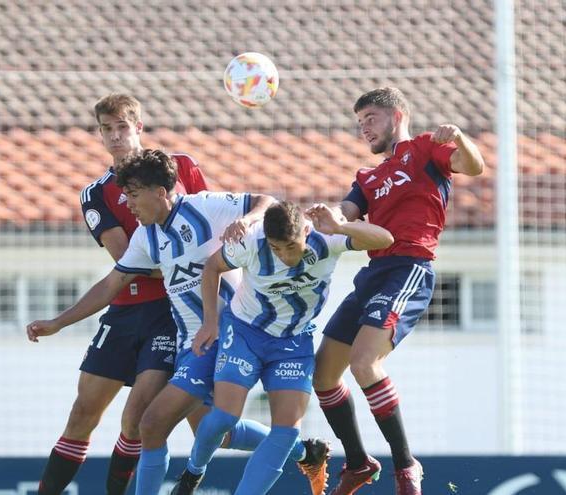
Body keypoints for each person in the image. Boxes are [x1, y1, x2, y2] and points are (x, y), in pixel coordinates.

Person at [26, 150, 326, 495]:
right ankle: (306, 451)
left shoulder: (205, 207)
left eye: (134, 195)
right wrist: (59, 322)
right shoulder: (145, 237)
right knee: (212, 432)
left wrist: (248, 219)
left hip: (229, 334)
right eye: (125, 195)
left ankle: (296, 450)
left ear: (160, 192)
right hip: (190, 343)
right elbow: (112, 284)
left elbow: (265, 201)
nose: (128, 203)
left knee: (151, 423)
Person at [312, 87, 485, 495]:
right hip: (373, 274)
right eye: (359, 124)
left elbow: (473, 167)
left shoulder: (426, 148)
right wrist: (323, 218)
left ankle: (406, 466)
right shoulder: (367, 176)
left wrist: (459, 136)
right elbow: (346, 212)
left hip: (409, 268)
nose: (364, 129)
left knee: (364, 363)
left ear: (397, 115)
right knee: (322, 377)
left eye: (370, 118)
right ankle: (357, 463)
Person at [34, 94, 208, 495]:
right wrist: (60, 322)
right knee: (82, 414)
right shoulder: (97, 193)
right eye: (106, 130)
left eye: (122, 128)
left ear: (139, 128)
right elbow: (124, 259)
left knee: (138, 417)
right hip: (125, 311)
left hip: (173, 312)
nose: (115, 137)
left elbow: (207, 224)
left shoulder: (181, 167)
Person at [181, 201, 393, 495]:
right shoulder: (251, 241)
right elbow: (213, 266)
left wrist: (341, 226)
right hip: (245, 332)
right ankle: (192, 474)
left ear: (305, 232)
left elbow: (386, 239)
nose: (283, 256)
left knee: (287, 431)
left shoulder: (326, 237)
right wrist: (209, 322)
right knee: (223, 419)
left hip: (293, 342)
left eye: (290, 248)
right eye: (276, 249)